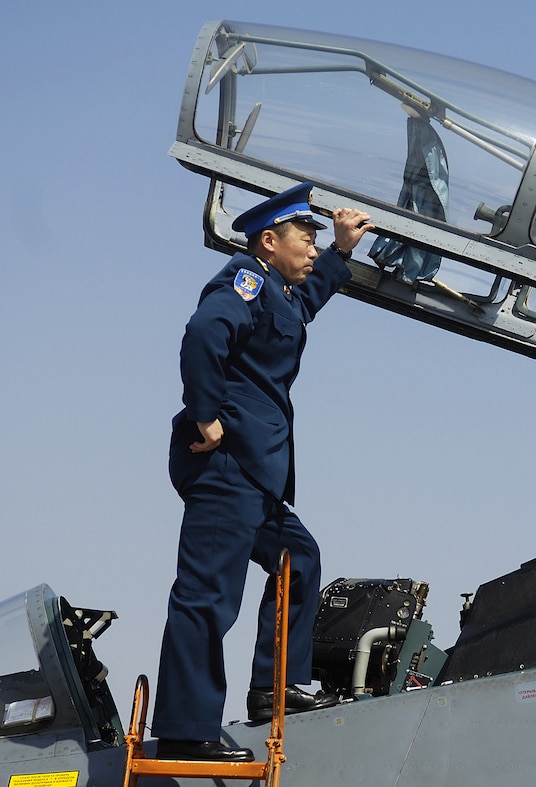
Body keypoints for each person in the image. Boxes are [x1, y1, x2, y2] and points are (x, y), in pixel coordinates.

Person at [153, 183, 375, 762]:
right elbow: (204, 333)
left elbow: (299, 308)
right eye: (307, 238)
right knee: (208, 596)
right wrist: (205, 416)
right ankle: (186, 727)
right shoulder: (242, 281)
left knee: (298, 558)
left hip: (255, 474)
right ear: (268, 241)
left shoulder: (276, 291)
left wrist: (341, 254)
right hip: (225, 469)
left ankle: (274, 687)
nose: (312, 247)